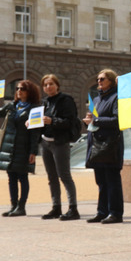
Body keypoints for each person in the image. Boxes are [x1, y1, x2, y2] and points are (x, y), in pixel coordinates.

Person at [0, 79, 43, 217]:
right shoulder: (11, 106)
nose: (18, 91)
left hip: (24, 147)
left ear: (29, 92)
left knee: (22, 177)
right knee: (11, 177)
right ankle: (13, 205)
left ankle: (21, 207)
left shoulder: (35, 109)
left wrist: (33, 152)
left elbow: (35, 132)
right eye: (17, 88)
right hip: (9, 147)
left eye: (22, 89)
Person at [84, 69, 124, 224]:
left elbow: (117, 120)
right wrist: (89, 120)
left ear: (112, 81)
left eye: (102, 79)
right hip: (97, 144)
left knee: (112, 180)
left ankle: (115, 213)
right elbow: (95, 119)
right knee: (101, 180)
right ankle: (102, 211)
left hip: (110, 144)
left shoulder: (116, 97)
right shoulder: (97, 99)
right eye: (98, 79)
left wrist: (96, 121)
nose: (99, 82)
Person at [39, 74, 80, 220]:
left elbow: (70, 121)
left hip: (60, 143)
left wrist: (52, 121)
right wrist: (32, 123)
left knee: (64, 175)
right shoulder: (45, 103)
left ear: (57, 85)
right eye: (45, 85)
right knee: (52, 177)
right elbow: (41, 122)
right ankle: (56, 207)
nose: (48, 87)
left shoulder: (65, 100)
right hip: (45, 143)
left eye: (51, 84)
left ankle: (73, 208)